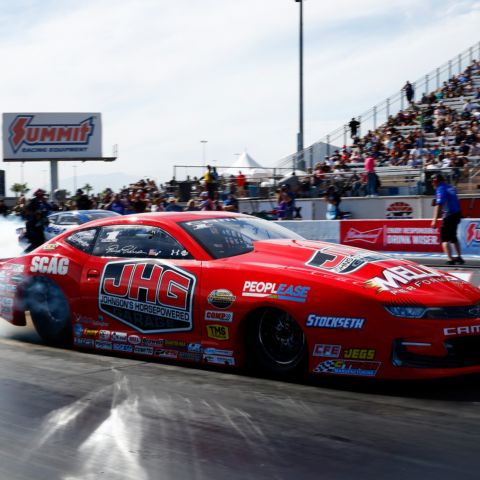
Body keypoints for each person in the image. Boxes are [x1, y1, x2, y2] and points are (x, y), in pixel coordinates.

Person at [431, 173, 464, 265]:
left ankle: (450, 259)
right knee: (453, 237)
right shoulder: (451, 187)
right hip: (457, 214)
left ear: (436, 181)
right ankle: (459, 257)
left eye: (433, 182)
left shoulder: (440, 189)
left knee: (444, 239)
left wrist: (434, 220)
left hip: (449, 216)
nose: (432, 184)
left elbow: (439, 205)